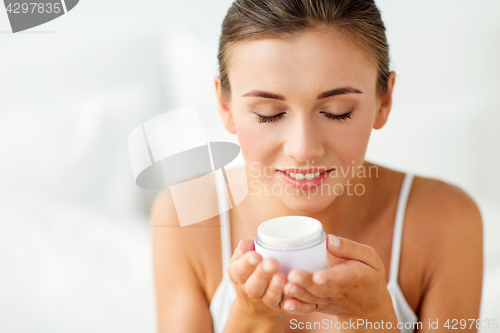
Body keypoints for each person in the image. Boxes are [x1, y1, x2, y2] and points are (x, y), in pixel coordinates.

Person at [151, 0, 483, 332]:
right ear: (225, 107)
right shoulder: (186, 215)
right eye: (268, 113)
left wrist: (373, 318)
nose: (303, 149)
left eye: (337, 111)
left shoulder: (446, 219)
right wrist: (254, 317)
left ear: (384, 101)